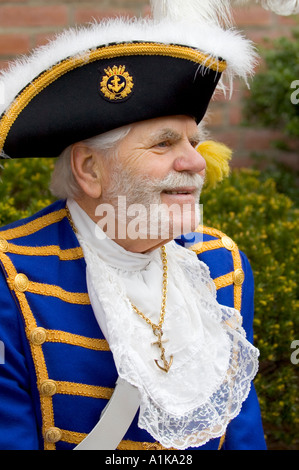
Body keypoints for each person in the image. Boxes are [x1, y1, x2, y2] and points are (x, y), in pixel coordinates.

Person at [0, 0, 272, 451]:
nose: (194, 163)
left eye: (194, 142)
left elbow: (240, 431)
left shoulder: (222, 264)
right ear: (89, 169)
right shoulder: (10, 276)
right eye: (164, 143)